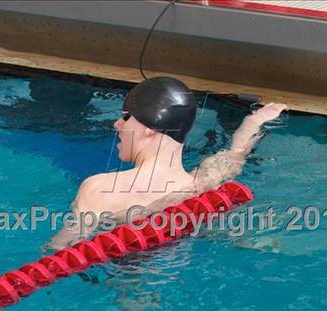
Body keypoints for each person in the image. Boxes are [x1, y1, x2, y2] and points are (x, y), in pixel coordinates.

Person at [45, 77, 287, 250]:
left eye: (125, 117)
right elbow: (236, 153)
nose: (117, 125)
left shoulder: (100, 189)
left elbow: (63, 249)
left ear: (150, 128)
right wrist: (255, 121)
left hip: (126, 271)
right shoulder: (203, 184)